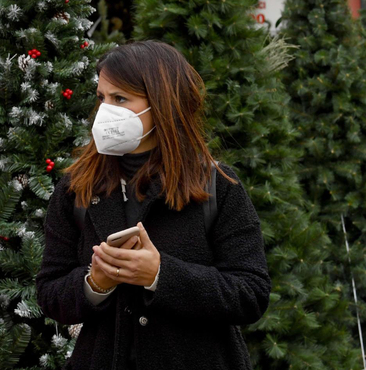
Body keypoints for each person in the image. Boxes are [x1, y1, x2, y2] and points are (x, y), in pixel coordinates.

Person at [36, 40, 271, 369]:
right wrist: (94, 284)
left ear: (162, 103)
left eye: (120, 99)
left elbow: (251, 292)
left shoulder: (217, 185)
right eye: (102, 98)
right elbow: (50, 293)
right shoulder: (77, 187)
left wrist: (161, 275)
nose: (106, 111)